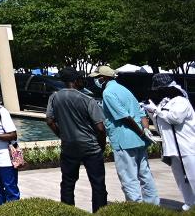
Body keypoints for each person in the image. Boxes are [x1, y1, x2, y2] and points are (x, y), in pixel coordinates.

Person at [91, 65, 158, 204]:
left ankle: (136, 208)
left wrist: (140, 132)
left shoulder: (108, 93)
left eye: (97, 78)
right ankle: (153, 206)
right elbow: (141, 113)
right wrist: (145, 131)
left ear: (103, 78)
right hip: (140, 140)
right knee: (145, 176)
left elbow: (124, 117)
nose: (96, 80)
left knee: (129, 178)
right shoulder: (125, 90)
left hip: (124, 141)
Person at [46, 67, 107, 212]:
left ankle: (67, 212)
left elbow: (49, 121)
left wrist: (62, 135)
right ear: (76, 81)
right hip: (90, 147)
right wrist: (102, 146)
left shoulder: (54, 97)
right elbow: (100, 128)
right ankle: (99, 213)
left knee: (67, 184)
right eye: (81, 79)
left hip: (68, 147)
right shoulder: (87, 99)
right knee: (98, 185)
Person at [143, 74, 195, 210]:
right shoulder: (165, 102)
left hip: (187, 147)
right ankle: (189, 203)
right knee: (181, 179)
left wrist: (157, 111)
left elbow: (175, 118)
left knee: (192, 177)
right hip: (172, 149)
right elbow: (159, 124)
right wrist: (151, 112)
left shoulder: (181, 101)